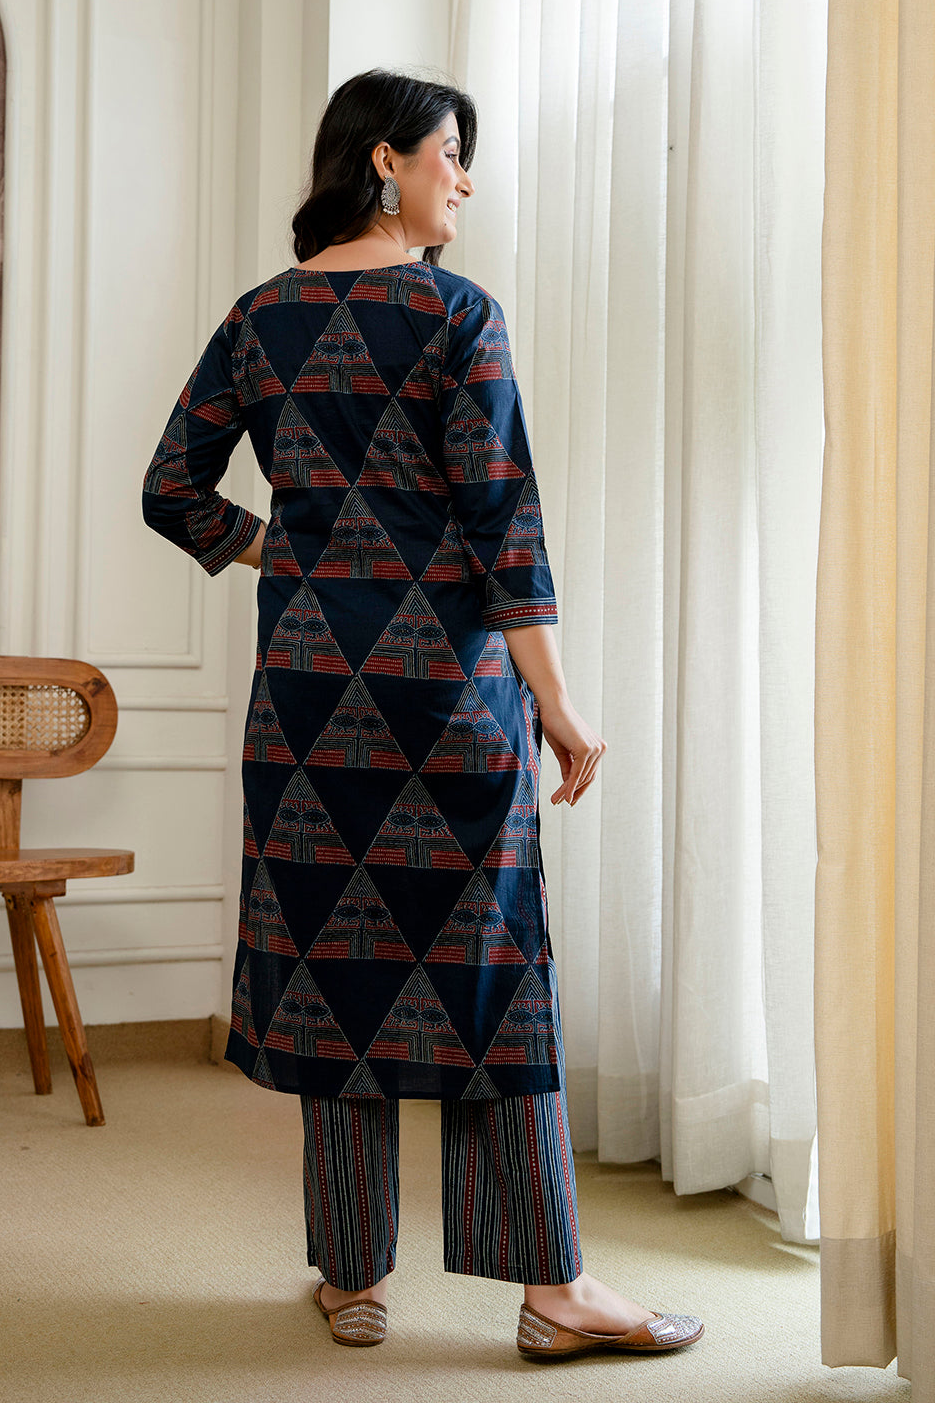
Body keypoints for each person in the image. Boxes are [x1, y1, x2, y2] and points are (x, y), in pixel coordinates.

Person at [141, 66, 703, 1361]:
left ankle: (352, 1275)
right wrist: (559, 704)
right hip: (447, 694)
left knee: (334, 971)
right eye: (453, 153)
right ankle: (553, 1290)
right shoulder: (459, 315)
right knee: (494, 975)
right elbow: (504, 522)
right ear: (385, 159)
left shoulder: (258, 319)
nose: (466, 180)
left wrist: (288, 552)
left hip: (305, 702)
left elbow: (174, 489)